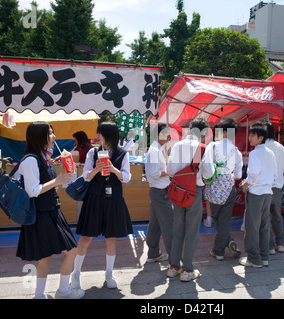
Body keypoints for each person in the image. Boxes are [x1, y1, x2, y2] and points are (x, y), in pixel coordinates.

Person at [14, 121, 83, 299]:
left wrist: (64, 178)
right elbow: (32, 190)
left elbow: (49, 186)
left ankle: (42, 295)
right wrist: (58, 181)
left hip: (51, 210)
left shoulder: (44, 157)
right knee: (68, 250)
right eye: (50, 133)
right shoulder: (31, 159)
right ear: (39, 136)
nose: (54, 137)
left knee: (46, 256)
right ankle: (62, 291)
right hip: (40, 213)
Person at [72, 122, 133, 289]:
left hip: (113, 198)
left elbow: (126, 177)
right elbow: (85, 176)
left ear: (108, 134)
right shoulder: (93, 152)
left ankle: (109, 274)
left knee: (111, 237)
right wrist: (96, 170)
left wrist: (113, 169)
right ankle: (75, 273)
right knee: (86, 236)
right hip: (94, 197)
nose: (97, 136)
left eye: (100, 133)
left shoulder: (122, 154)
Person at [166, 118, 213, 281]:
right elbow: (208, 174)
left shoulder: (177, 145)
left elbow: (170, 170)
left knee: (177, 230)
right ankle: (187, 270)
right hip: (194, 192)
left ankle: (173, 267)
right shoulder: (202, 148)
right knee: (192, 232)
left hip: (178, 192)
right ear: (204, 133)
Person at [202, 118, 243, 261]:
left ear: (224, 132)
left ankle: (219, 250)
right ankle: (226, 243)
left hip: (214, 187)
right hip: (229, 188)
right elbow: (238, 175)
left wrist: (209, 177)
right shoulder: (237, 151)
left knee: (217, 218)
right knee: (224, 220)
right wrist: (229, 174)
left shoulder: (212, 146)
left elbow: (206, 167)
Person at [239, 122, 276, 268]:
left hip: (256, 192)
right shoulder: (270, 152)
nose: (250, 138)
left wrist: (244, 185)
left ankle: (254, 258)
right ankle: (264, 256)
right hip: (267, 191)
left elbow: (253, 174)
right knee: (264, 225)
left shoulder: (255, 153)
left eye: (253, 135)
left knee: (252, 226)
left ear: (260, 137)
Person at [145, 123, 173, 263]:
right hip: (160, 192)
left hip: (158, 191)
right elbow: (153, 173)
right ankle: (174, 258)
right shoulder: (155, 151)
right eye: (167, 134)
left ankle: (153, 253)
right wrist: (170, 171)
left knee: (155, 224)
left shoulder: (157, 149)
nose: (169, 137)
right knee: (170, 224)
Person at [262, 120, 284, 253]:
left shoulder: (260, 148)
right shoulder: (281, 147)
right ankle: (281, 243)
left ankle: (270, 245)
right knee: (277, 215)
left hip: (264, 186)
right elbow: (283, 168)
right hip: (277, 184)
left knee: (265, 216)